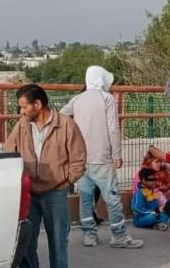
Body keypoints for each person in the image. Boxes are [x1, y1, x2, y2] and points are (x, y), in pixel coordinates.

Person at [3, 84, 87, 268]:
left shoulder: (66, 125)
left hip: (56, 192)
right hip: (29, 192)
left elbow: (78, 160)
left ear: (38, 105)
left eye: (23, 107)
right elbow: (8, 152)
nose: (20, 112)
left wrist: (64, 180)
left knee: (58, 239)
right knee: (27, 240)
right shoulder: (22, 125)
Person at [60, 66, 143, 249]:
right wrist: (117, 154)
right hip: (102, 157)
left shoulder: (78, 99)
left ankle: (89, 234)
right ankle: (119, 235)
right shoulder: (107, 99)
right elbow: (113, 128)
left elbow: (61, 116)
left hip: (82, 158)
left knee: (86, 198)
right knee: (112, 197)